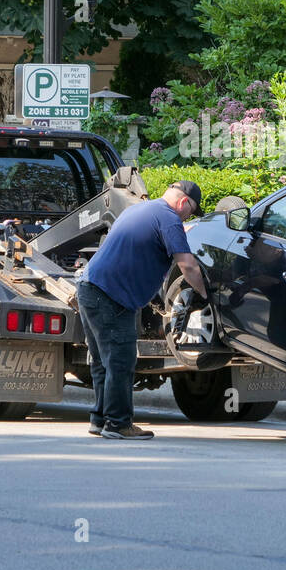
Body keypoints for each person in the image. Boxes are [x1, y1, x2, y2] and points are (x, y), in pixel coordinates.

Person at [76, 181, 209, 439]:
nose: (187, 216)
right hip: (111, 296)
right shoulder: (169, 219)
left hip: (89, 288)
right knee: (121, 361)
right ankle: (118, 424)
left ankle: (100, 419)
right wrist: (204, 295)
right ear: (183, 203)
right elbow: (188, 266)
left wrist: (179, 230)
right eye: (190, 211)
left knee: (104, 362)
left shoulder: (141, 210)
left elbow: (145, 240)